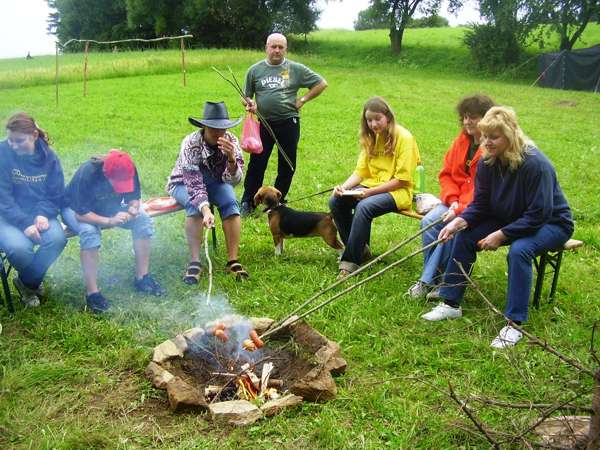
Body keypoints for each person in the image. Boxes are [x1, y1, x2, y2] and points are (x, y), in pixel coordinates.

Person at [421, 106, 574, 349]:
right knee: (464, 235)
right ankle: (450, 303)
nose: (486, 142)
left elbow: (538, 214)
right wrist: (461, 220)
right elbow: (481, 204)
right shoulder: (487, 162)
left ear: (510, 135)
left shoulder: (535, 164)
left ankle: (514, 324)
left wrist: (501, 235)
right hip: (511, 216)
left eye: (494, 137)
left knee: (520, 250)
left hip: (551, 223)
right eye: (484, 136)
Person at [407, 94, 495, 300]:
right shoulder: (461, 142)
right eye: (464, 117)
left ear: (487, 118)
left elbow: (483, 190)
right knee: (430, 221)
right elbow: (446, 174)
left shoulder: (491, 146)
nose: (467, 122)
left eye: (472, 117)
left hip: (477, 208)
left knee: (451, 229)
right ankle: (437, 280)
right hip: (454, 201)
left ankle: (428, 282)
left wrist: (459, 208)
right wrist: (452, 199)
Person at [62, 150, 165, 313]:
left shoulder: (129, 168)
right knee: (90, 232)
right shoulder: (88, 172)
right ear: (106, 173)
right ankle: (92, 294)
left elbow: (134, 197)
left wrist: (133, 208)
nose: (120, 189)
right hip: (75, 209)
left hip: (107, 207)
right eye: (117, 183)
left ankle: (142, 278)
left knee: (143, 219)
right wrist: (109, 221)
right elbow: (80, 214)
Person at [329, 97, 420, 278]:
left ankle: (349, 265)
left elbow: (402, 180)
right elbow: (360, 173)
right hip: (370, 186)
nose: (373, 124)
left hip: (398, 191)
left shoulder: (404, 138)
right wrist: (343, 187)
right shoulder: (371, 137)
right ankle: (361, 250)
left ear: (388, 117)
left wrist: (369, 193)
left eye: (377, 119)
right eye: (369, 120)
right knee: (336, 201)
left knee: (365, 206)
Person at [240, 32, 328, 215]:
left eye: (281, 47)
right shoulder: (254, 70)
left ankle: (277, 202)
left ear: (286, 49)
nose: (277, 50)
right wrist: (250, 103)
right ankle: (248, 202)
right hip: (264, 123)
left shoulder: (296, 69)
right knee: (257, 163)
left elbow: (321, 83)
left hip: (289, 122)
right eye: (273, 46)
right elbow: (245, 95)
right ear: (266, 48)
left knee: (287, 164)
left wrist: (302, 99)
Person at [166, 101, 249, 283]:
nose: (219, 134)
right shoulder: (191, 143)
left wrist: (232, 160)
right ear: (204, 126)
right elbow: (193, 183)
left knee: (230, 203)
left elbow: (234, 181)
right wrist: (205, 209)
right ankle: (195, 262)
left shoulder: (232, 141)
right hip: (183, 183)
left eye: (223, 129)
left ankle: (233, 260)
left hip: (216, 182)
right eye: (214, 129)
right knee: (194, 207)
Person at [0, 112, 67, 307]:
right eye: (10, 140)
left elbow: (56, 194)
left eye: (19, 141)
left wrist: (42, 213)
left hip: (40, 213)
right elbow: (2, 198)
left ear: (34, 136)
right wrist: (25, 223)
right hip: (7, 215)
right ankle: (32, 283)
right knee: (20, 249)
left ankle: (27, 283)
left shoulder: (49, 158)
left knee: (57, 239)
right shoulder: (2, 154)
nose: (13, 145)